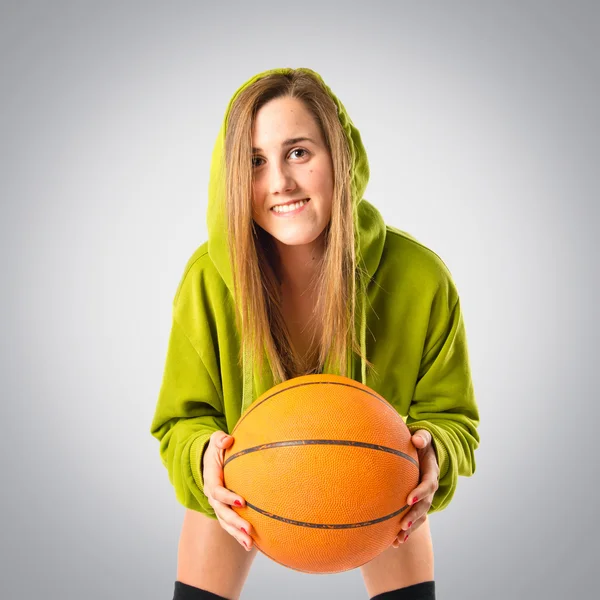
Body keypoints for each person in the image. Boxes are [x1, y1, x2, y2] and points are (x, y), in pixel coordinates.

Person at [150, 67, 480, 600]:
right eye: (255, 162)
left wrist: (432, 451)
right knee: (216, 507)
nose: (280, 181)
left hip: (377, 490)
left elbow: (453, 418)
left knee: (403, 516)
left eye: (298, 152)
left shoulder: (421, 277)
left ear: (340, 158)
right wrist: (202, 457)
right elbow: (182, 422)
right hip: (246, 487)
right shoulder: (208, 280)